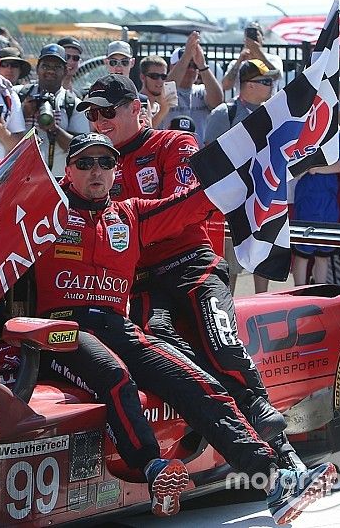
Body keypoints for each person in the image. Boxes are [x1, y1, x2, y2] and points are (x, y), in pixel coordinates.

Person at [0, 87, 338, 519]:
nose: (96, 170)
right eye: (84, 162)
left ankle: (274, 477)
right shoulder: (48, 207)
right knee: (115, 376)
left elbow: (195, 203)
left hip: (120, 322)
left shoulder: (131, 213)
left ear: (116, 171)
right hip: (60, 331)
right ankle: (155, 469)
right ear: (68, 171)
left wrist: (263, 163)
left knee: (197, 382)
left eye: (105, 162)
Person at [73, 75, 297, 460]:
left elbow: (186, 204)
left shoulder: (173, 143)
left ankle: (265, 420)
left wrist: (141, 224)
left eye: (107, 111)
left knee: (219, 341)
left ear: (136, 109)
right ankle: (220, 423)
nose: (99, 121)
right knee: (164, 351)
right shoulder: (95, 162)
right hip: (140, 283)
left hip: (191, 266)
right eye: (92, 114)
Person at [204, 59, 280, 293]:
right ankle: (229, 313)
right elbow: (208, 159)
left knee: (262, 259)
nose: (271, 86)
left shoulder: (273, 114)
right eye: (266, 81)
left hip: (262, 199)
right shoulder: (224, 113)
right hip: (232, 202)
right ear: (249, 85)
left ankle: (261, 310)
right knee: (230, 265)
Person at [15, 44, 90, 177]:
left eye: (57, 67)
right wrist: (23, 113)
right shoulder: (18, 95)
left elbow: (79, 148)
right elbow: (2, 131)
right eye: (46, 66)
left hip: (56, 179)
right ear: (37, 68)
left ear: (65, 71)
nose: (50, 71)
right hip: (18, 175)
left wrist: (54, 129)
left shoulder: (72, 103)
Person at [162, 32, 223, 144]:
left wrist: (202, 65)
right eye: (187, 65)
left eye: (194, 66)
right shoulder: (168, 89)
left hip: (198, 154)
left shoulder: (201, 91)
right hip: (170, 153)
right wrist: (186, 56)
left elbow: (218, 102)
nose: (191, 69)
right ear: (172, 66)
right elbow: (168, 92)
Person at [222, 21, 285, 95]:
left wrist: (259, 55)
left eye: (256, 35)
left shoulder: (273, 59)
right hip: (243, 104)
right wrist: (239, 61)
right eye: (248, 36)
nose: (253, 38)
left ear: (263, 39)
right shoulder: (237, 62)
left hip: (267, 104)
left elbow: (276, 76)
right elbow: (226, 86)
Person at [138, 55, 176, 129]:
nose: (160, 81)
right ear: (142, 77)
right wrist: (163, 111)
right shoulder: (136, 105)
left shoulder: (160, 106)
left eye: (163, 76)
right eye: (154, 76)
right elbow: (145, 133)